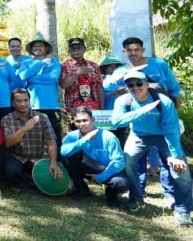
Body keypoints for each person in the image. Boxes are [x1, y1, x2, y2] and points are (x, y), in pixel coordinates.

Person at [111, 70, 192, 225]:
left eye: (139, 83)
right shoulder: (123, 100)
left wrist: (175, 156)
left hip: (163, 135)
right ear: (126, 87)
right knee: (127, 163)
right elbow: (117, 121)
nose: (135, 87)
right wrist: (143, 110)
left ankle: (183, 210)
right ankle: (137, 198)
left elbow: (171, 128)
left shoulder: (164, 102)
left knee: (180, 169)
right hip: (138, 135)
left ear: (147, 84)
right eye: (130, 85)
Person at [122, 36, 181, 201]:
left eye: (136, 49)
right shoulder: (124, 70)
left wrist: (175, 111)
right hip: (139, 123)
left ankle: (169, 193)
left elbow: (174, 87)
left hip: (163, 119)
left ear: (143, 49)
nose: (133, 53)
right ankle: (139, 190)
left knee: (167, 157)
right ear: (124, 51)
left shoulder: (159, 64)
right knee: (137, 158)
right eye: (129, 50)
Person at [60, 107, 129, 207]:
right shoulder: (72, 136)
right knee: (68, 156)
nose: (82, 124)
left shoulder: (109, 137)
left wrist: (99, 177)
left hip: (106, 169)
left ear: (93, 120)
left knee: (121, 183)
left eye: (85, 120)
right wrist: (85, 140)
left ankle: (111, 195)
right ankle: (82, 189)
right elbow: (63, 152)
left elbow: (119, 162)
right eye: (78, 121)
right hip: (86, 166)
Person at [1, 88, 62, 191]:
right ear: (12, 103)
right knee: (11, 171)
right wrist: (25, 128)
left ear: (30, 101)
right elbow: (7, 143)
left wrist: (53, 163)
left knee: (51, 176)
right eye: (18, 101)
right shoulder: (7, 119)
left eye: (26, 100)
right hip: (17, 157)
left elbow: (51, 142)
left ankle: (28, 177)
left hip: (37, 158)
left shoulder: (42, 117)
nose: (23, 104)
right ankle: (20, 179)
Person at [18, 36, 62, 150]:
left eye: (40, 45)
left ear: (46, 48)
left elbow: (53, 78)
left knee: (54, 135)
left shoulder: (53, 61)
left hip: (50, 105)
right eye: (35, 46)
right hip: (33, 105)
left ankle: (58, 159)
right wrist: (41, 63)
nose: (37, 48)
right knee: (33, 135)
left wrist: (32, 79)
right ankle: (34, 159)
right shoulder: (27, 62)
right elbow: (23, 76)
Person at [60, 38, 104, 113]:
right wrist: (77, 74)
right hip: (73, 108)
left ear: (84, 49)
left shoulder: (94, 65)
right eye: (73, 49)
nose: (76, 50)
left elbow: (99, 87)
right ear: (69, 51)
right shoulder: (64, 66)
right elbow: (63, 85)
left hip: (93, 108)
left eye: (79, 48)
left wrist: (102, 108)